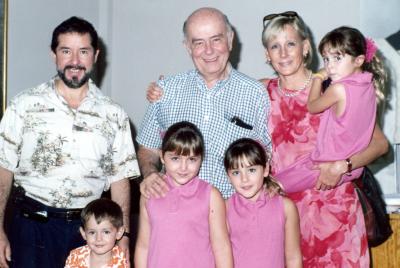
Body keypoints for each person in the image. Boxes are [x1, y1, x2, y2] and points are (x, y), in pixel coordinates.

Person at [0, 16, 140, 268]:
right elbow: (3, 169)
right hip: (31, 229)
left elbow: (120, 180)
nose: (75, 61)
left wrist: (125, 236)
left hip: (90, 233)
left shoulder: (114, 114)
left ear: (95, 55)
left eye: (83, 51)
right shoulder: (23, 106)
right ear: (54, 54)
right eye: (66, 51)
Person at [261, 12, 388, 266]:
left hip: (336, 216)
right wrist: (163, 92)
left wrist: (345, 165)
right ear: (267, 54)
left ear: (306, 47)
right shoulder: (261, 91)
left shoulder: (336, 87)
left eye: (291, 44)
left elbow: (380, 144)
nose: (284, 53)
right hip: (285, 220)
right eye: (275, 46)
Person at [137, 7, 271, 199]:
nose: (209, 51)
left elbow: (267, 155)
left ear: (230, 39)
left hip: (231, 215)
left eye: (216, 39)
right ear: (187, 47)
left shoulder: (255, 93)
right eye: (199, 43)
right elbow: (148, 148)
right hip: (176, 213)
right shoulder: (165, 91)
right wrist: (150, 174)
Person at [274, 26, 386, 193]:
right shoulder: (369, 86)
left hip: (329, 167)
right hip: (345, 168)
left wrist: (318, 78)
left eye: (337, 58)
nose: (329, 66)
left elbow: (312, 106)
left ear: (358, 60)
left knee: (271, 189)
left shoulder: (338, 88)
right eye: (326, 59)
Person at [134, 121, 233, 268]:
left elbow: (222, 248)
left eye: (192, 159)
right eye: (175, 158)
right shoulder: (150, 192)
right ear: (162, 156)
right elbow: (143, 246)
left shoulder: (211, 195)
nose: (183, 167)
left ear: (201, 159)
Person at [224, 138, 302, 268]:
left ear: (265, 169)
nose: (244, 179)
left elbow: (293, 258)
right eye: (236, 173)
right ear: (228, 177)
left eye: (252, 170)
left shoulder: (286, 207)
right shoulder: (224, 209)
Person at [65, 198, 128, 268]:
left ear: (119, 233)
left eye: (106, 232)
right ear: (83, 233)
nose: (98, 239)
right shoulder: (75, 256)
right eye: (92, 232)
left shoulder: (122, 261)